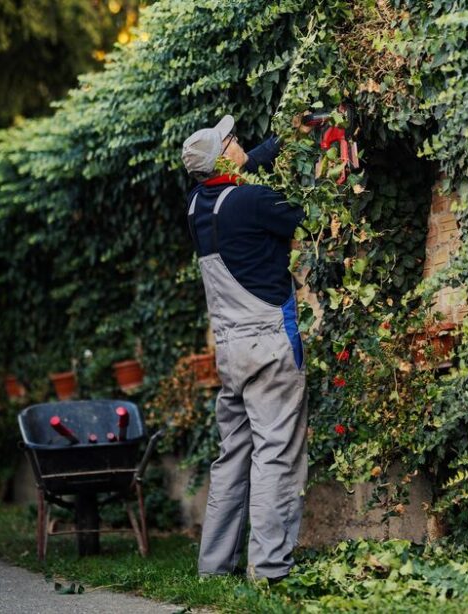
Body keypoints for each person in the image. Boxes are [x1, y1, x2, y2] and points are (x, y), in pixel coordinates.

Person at [180, 114, 308, 583]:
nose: (241, 144)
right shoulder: (254, 201)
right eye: (233, 140)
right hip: (270, 346)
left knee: (233, 454)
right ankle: (270, 571)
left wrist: (286, 137)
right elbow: (305, 214)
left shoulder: (197, 205)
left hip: (230, 352)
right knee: (277, 454)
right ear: (223, 156)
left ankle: (214, 568)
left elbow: (244, 168)